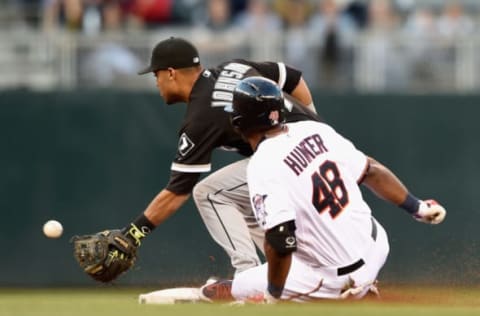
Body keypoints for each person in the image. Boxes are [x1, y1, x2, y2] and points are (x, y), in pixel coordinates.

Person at [86, 36, 320, 282]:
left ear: (171, 73)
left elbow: (177, 192)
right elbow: (291, 76)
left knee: (209, 192)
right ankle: (290, 272)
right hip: (320, 148)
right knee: (245, 198)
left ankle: (247, 275)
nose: (156, 83)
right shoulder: (234, 67)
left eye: (156, 75)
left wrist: (132, 234)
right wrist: (313, 123)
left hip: (287, 158)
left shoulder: (200, 118)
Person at [199, 76, 447, 302]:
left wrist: (273, 297)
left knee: (239, 286)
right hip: (376, 246)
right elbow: (371, 170)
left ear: (239, 122)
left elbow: (280, 239)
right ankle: (362, 286)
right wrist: (419, 207)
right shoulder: (312, 128)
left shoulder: (263, 164)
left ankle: (353, 293)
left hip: (331, 278)